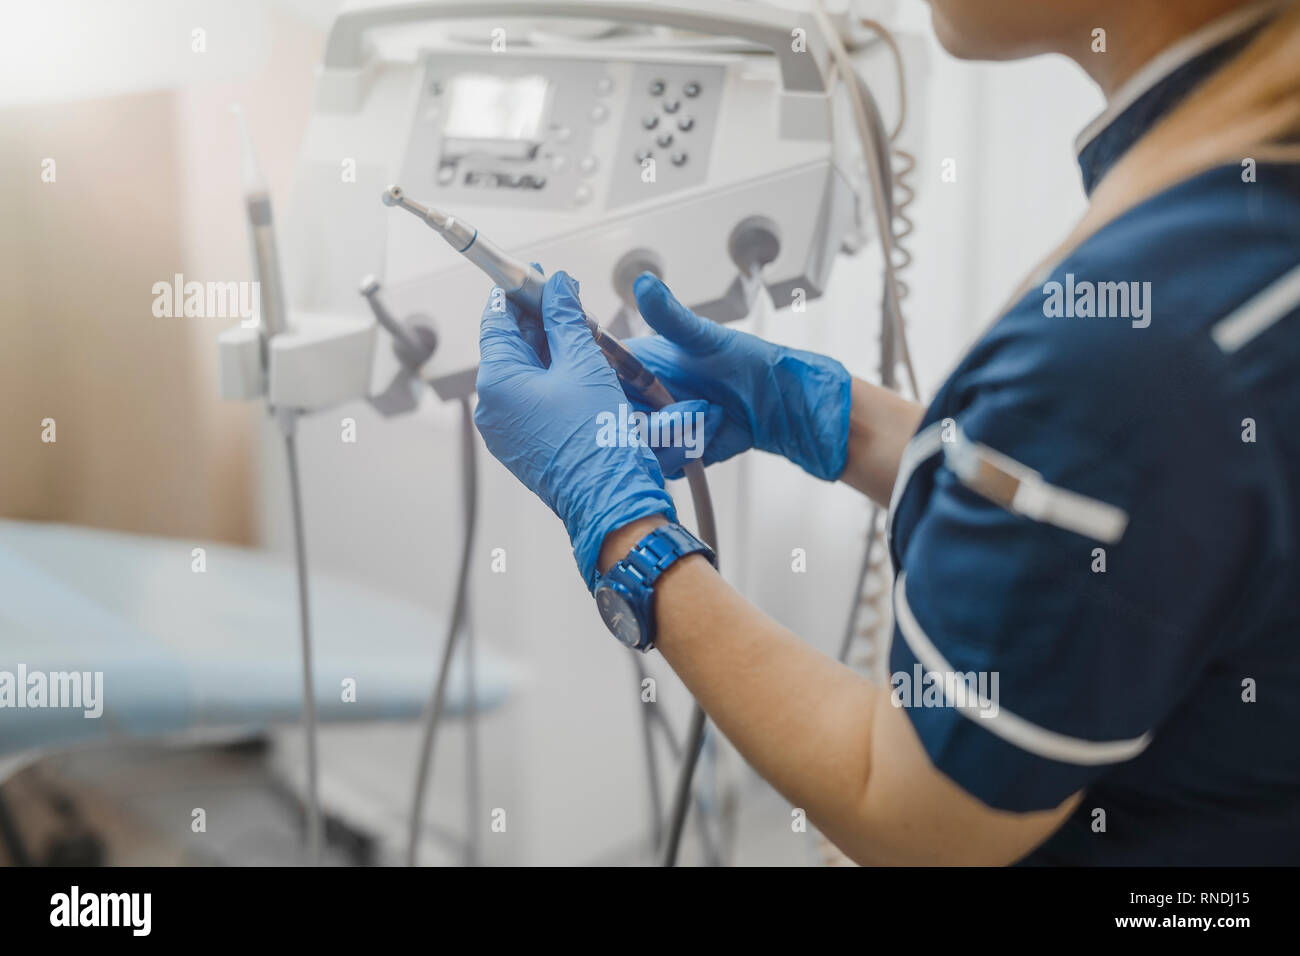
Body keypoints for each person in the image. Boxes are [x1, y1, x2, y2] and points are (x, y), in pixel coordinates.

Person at [472, 0, 1300, 864]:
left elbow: (910, 814)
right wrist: (817, 412)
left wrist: (621, 531)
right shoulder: (1242, 212)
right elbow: (1142, 513)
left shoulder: (1137, 336)